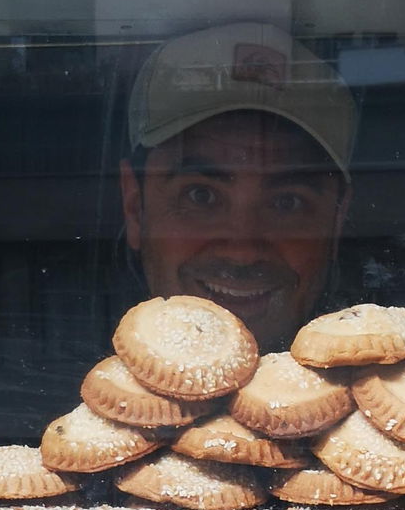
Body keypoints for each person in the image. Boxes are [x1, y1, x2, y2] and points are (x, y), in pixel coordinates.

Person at [119, 23, 357, 353]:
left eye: (286, 203)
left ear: (338, 218)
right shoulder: (47, 390)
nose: (241, 252)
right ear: (134, 206)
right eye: (200, 196)